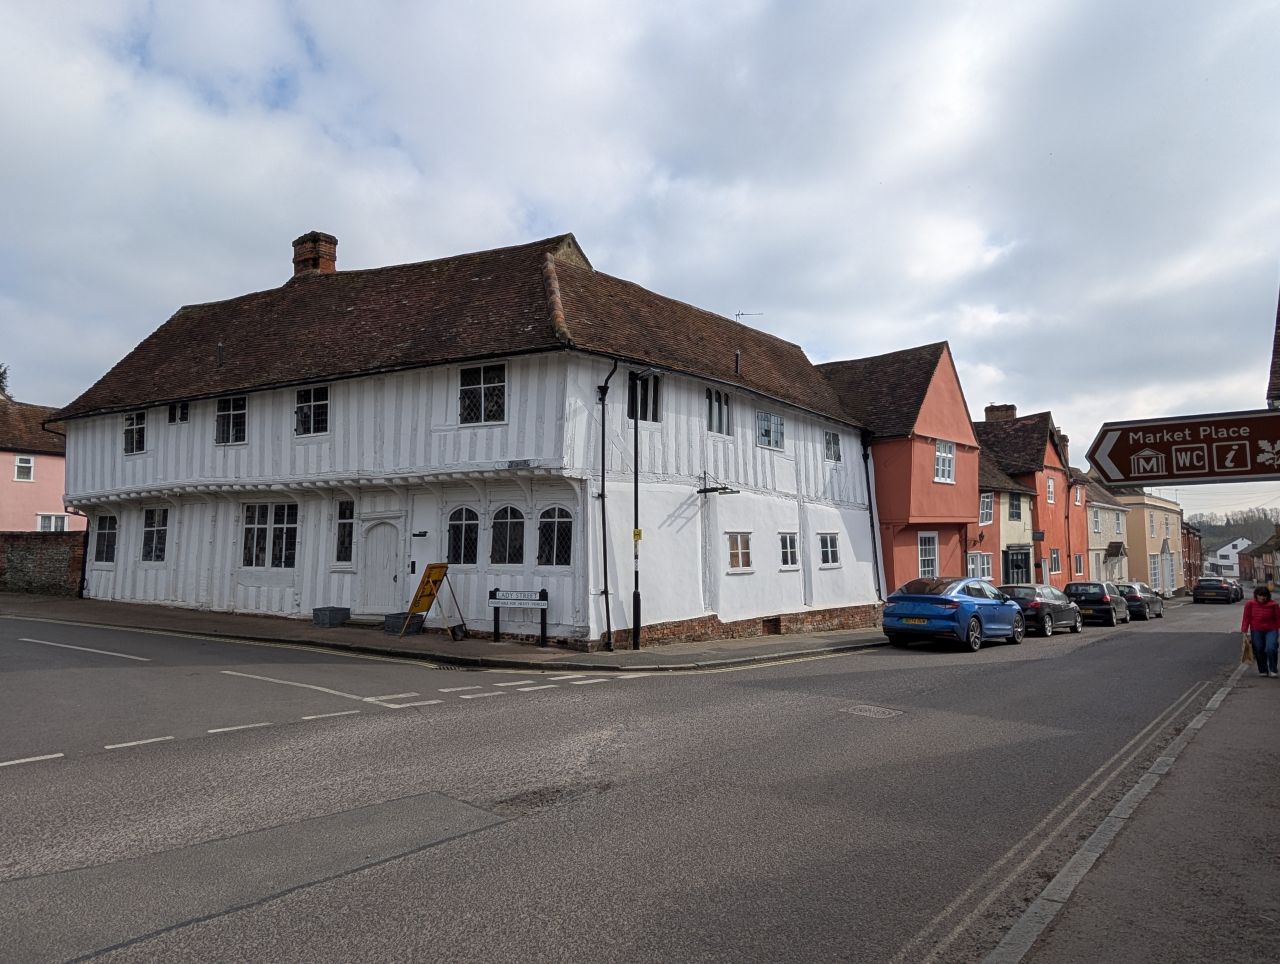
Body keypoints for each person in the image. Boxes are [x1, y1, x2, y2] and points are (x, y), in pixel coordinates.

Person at [1240, 585, 1280, 678]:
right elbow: (1246, 618)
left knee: (1271, 648)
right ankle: (1263, 670)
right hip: (1256, 629)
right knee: (1258, 648)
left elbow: (1278, 618)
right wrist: (1244, 630)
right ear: (1256, 595)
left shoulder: (1274, 605)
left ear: (1268, 596)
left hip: (1271, 630)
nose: (1262, 598)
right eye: (1260, 595)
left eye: (1264, 596)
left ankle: (1273, 669)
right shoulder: (1250, 604)